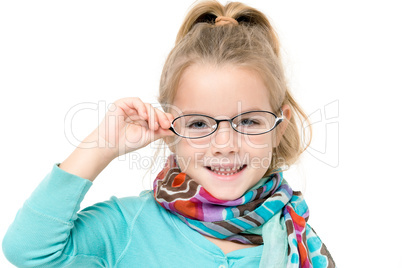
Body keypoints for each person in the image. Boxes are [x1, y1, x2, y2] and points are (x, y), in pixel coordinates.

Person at [2, 0, 336, 267]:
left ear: (280, 127)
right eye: (198, 124)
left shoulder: (302, 244)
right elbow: (29, 251)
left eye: (248, 122)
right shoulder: (127, 228)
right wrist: (99, 148)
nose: (223, 145)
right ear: (169, 128)